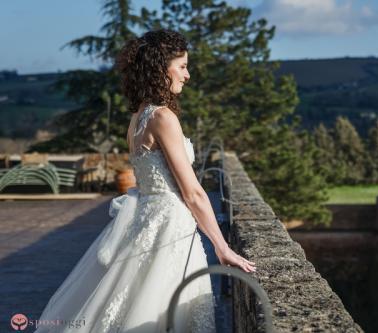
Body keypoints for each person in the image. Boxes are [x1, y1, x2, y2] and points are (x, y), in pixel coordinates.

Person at [34, 29, 256, 333]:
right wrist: (222, 246)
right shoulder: (163, 118)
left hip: (146, 220)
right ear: (159, 68)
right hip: (169, 225)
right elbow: (192, 193)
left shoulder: (137, 118)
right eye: (182, 66)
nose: (188, 75)